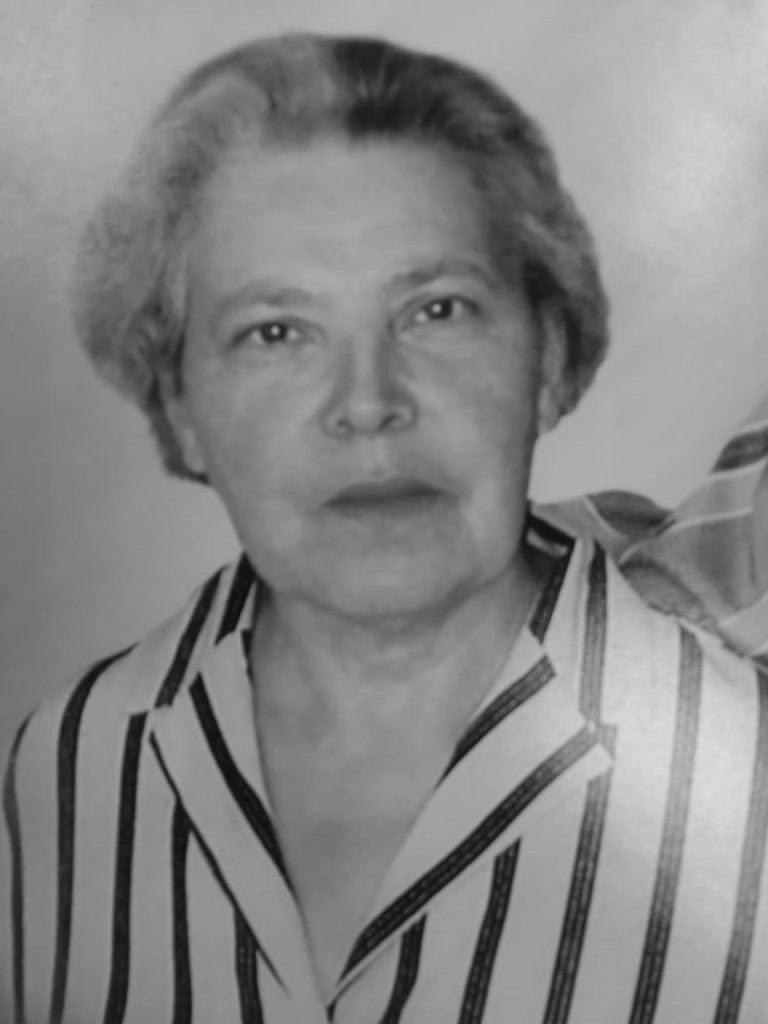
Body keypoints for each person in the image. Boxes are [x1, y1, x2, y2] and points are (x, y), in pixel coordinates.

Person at [2, 33, 766, 1024]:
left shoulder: (745, 780)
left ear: (549, 356)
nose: (367, 403)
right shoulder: (66, 763)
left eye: (437, 310)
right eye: (276, 332)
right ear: (180, 403)